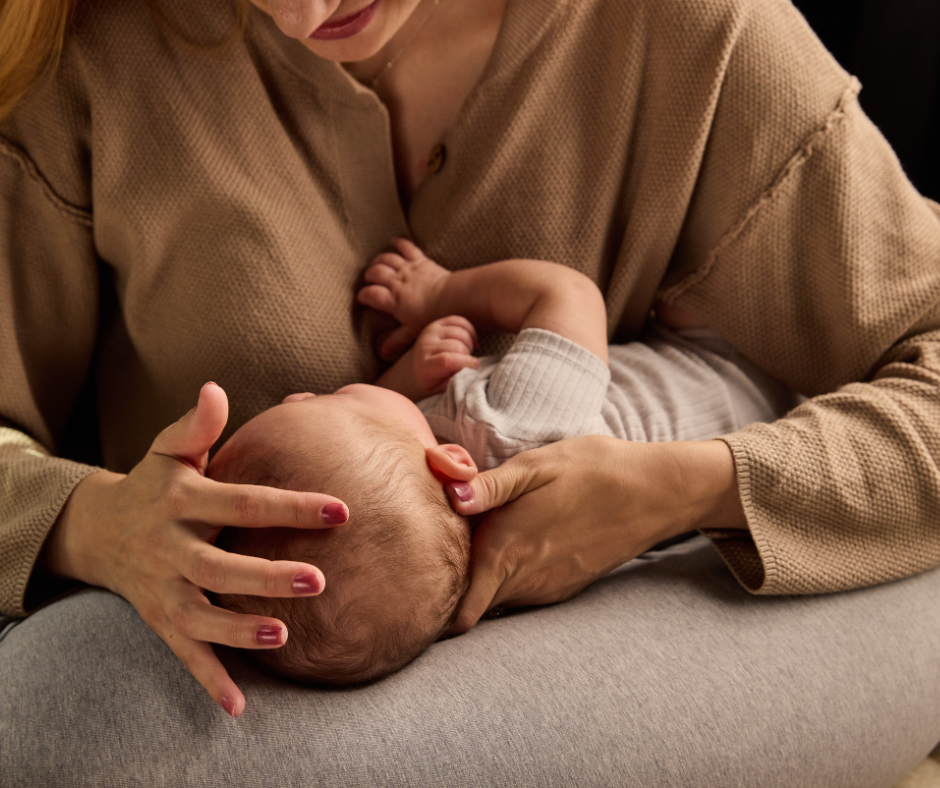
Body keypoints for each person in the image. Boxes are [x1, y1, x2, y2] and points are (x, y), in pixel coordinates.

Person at [2, 0, 940, 784]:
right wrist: (94, 521)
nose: (304, 8)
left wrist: (686, 490)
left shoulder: (697, 34)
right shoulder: (87, 52)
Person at [211, 241, 793, 686]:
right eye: (333, 398)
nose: (299, 393)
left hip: (736, 426)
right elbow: (568, 296)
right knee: (701, 266)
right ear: (454, 458)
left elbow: (387, 449)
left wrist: (408, 378)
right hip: (737, 366)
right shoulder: (510, 424)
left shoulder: (450, 577)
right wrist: (439, 293)